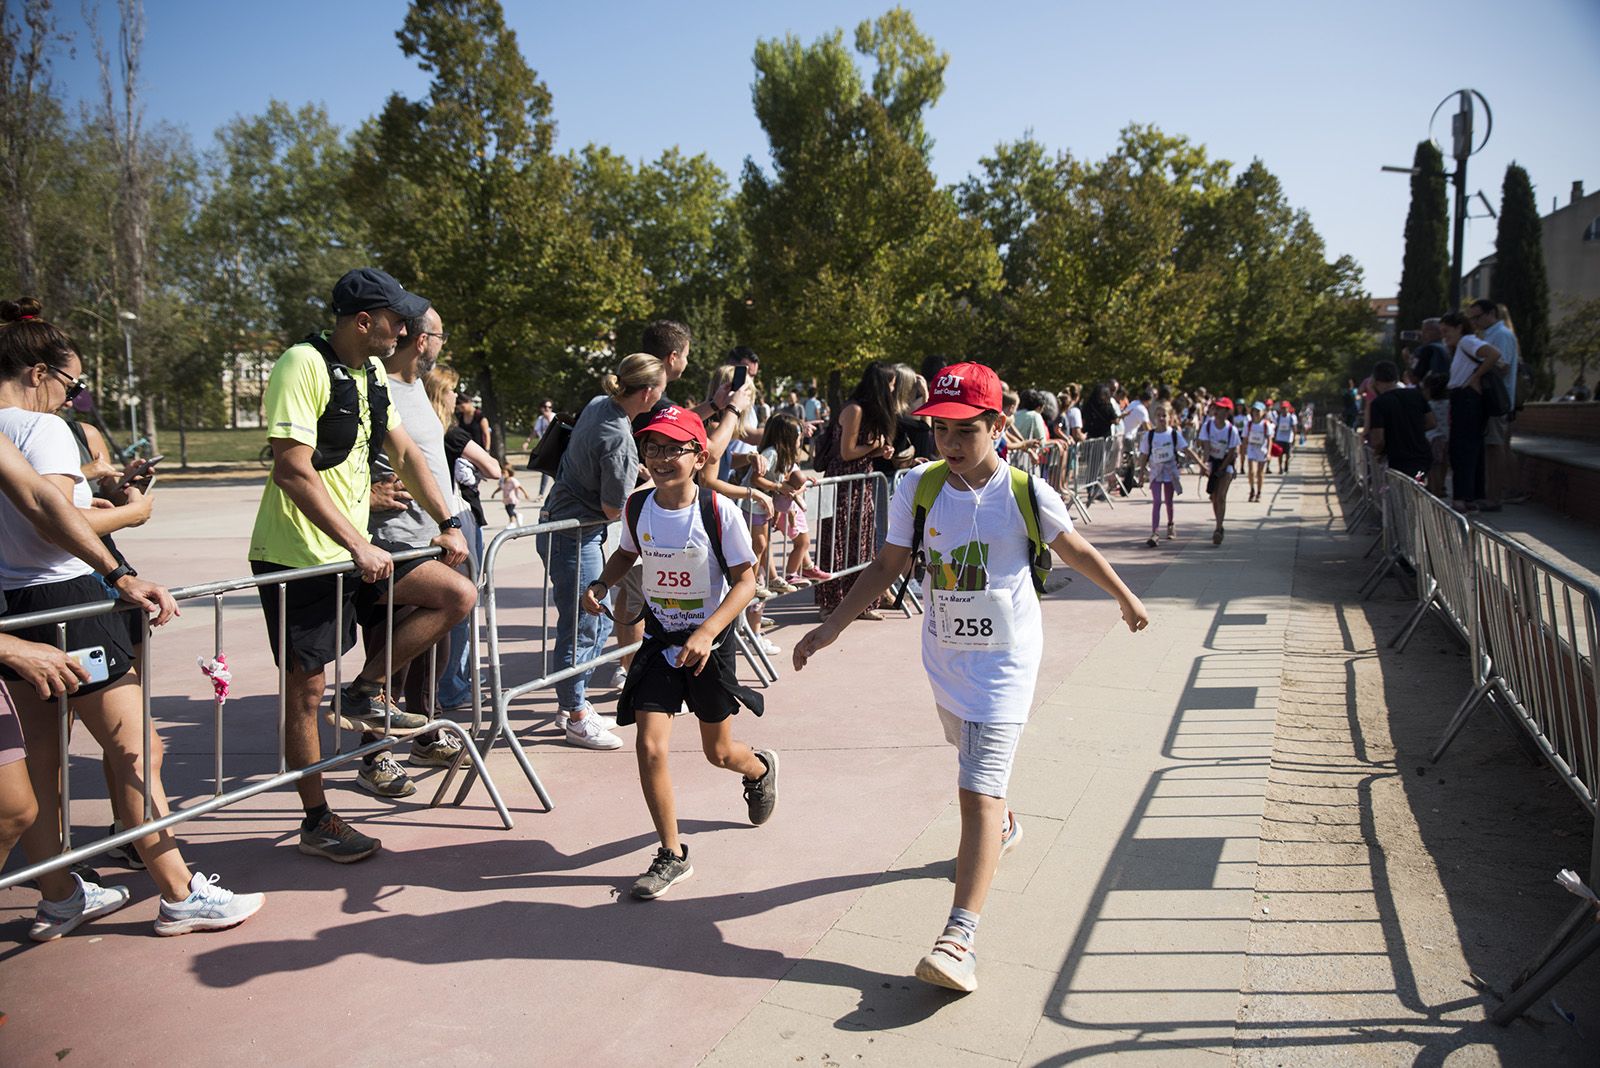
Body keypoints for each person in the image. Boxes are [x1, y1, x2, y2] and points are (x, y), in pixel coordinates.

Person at [792, 361, 1149, 993]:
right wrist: (830, 628)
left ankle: (960, 938)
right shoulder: (918, 488)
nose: (949, 444)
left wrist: (1124, 596)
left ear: (997, 425)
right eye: (939, 430)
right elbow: (887, 564)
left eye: (965, 431)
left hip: (1006, 664)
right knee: (968, 756)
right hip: (945, 659)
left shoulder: (1025, 492)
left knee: (974, 789)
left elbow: (1074, 549)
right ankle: (1006, 824)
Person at [0, 297, 263, 938]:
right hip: (70, 603)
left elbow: (40, 504)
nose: (72, 398)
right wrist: (129, 522)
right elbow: (53, 512)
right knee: (134, 749)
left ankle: (60, 893)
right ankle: (178, 893)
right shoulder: (40, 428)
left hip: (12, 608)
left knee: (39, 766)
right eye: (71, 383)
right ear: (39, 372)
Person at [249, 269, 470, 861]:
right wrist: (356, 542)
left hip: (353, 553)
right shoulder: (303, 364)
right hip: (299, 556)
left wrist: (447, 521)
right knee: (306, 690)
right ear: (364, 321)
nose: (408, 329)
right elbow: (291, 470)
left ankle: (367, 689)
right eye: (398, 320)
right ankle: (316, 819)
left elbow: (406, 451)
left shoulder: (370, 371)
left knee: (455, 595)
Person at [580, 405, 777, 900]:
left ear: (699, 454)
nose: (662, 457)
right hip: (660, 642)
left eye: (675, 448)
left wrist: (709, 631)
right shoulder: (637, 507)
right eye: (652, 447)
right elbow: (629, 552)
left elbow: (747, 582)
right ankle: (671, 853)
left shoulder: (717, 511)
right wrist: (602, 581)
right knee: (650, 747)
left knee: (719, 753)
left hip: (709, 645)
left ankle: (759, 768)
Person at [363, 306, 478, 794]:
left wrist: (450, 523)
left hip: (430, 541)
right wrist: (368, 494)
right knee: (392, 647)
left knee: (435, 644)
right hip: (389, 543)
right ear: (418, 338)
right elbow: (338, 460)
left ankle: (426, 734)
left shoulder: (414, 392)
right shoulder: (375, 387)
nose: (442, 343)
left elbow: (423, 461)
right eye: (439, 333)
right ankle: (374, 756)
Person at [537, 352, 665, 748]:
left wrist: (629, 473)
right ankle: (574, 714)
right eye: (661, 390)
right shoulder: (620, 438)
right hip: (576, 537)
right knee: (585, 625)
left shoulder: (599, 405)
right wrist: (653, 484)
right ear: (647, 393)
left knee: (595, 622)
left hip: (565, 527)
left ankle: (572, 702)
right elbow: (615, 508)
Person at [814, 362, 897, 622]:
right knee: (837, 542)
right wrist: (874, 445)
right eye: (891, 384)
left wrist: (879, 450)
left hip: (860, 483)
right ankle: (831, 603)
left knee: (860, 543)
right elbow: (847, 452)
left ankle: (861, 603)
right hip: (843, 483)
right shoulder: (854, 409)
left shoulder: (870, 411)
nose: (893, 390)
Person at [1440, 309, 1502, 514]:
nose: (1444, 336)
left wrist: (1475, 378)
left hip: (1466, 399)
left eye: (1447, 331)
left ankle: (1462, 497)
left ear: (1459, 328)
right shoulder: (1461, 346)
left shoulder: (1467, 342)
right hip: (1464, 398)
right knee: (1470, 448)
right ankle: (1471, 496)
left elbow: (1493, 354)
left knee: (1462, 449)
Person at [1470, 299, 1523, 506]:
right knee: (1497, 446)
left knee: (1495, 447)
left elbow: (1503, 366)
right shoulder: (1491, 334)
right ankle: (1504, 491)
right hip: (1494, 400)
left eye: (1478, 317)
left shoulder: (1501, 335)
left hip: (1497, 400)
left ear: (1491, 313)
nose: (1475, 322)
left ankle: (1494, 496)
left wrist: (1478, 369)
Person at [1366, 359, 1435, 481]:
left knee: (1402, 496)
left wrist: (1377, 454)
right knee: (1418, 487)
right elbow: (1431, 422)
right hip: (1422, 459)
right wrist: (1413, 428)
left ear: (1375, 381)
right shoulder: (1416, 395)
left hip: (1398, 461)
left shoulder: (1378, 404)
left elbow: (1378, 440)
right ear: (1397, 378)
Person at [1137, 401, 1187, 547]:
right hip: (1155, 474)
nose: (1161, 418)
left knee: (1169, 501)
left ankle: (1171, 525)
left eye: (1164, 415)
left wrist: (1202, 465)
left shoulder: (1173, 434)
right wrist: (1140, 474)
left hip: (1170, 473)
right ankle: (1155, 532)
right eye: (1158, 416)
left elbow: (1186, 449)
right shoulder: (1150, 436)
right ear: (1154, 418)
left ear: (1169, 417)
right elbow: (1144, 456)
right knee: (1157, 501)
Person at [1196, 398, 1241, 544]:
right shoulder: (1208, 426)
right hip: (1213, 462)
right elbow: (1206, 447)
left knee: (1221, 496)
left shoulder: (1231, 430)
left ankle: (1218, 527)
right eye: (1217, 408)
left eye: (1222, 408)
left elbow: (1232, 452)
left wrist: (1223, 468)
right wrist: (1204, 465)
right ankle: (1219, 522)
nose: (1218, 411)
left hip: (1226, 464)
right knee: (1214, 497)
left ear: (1227, 412)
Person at [1422, 373, 1450, 497]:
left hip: (1432, 438)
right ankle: (1441, 486)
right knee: (1444, 464)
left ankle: (1435, 489)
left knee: (1434, 466)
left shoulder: (1428, 405)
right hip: (1446, 437)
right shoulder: (1449, 403)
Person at [1244, 401, 1271, 502]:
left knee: (1260, 473)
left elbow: (1270, 439)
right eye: (1254, 410)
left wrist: (1268, 452)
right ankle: (1252, 490)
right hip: (1251, 449)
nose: (1256, 413)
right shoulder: (1249, 424)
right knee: (1251, 471)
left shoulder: (1265, 424)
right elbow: (1245, 438)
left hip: (1262, 450)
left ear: (1263, 412)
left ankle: (1259, 492)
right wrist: (1243, 450)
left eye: (1258, 411)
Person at [1272, 400, 1297, 474]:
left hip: (1288, 439)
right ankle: (1280, 468)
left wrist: (1294, 438)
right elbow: (1276, 427)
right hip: (1279, 438)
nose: (1284, 410)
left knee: (1288, 454)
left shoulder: (1292, 417)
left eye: (1285, 408)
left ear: (1288, 408)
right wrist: (1274, 437)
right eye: (1282, 408)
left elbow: (1294, 428)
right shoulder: (1278, 417)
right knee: (1280, 454)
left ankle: (1286, 464)